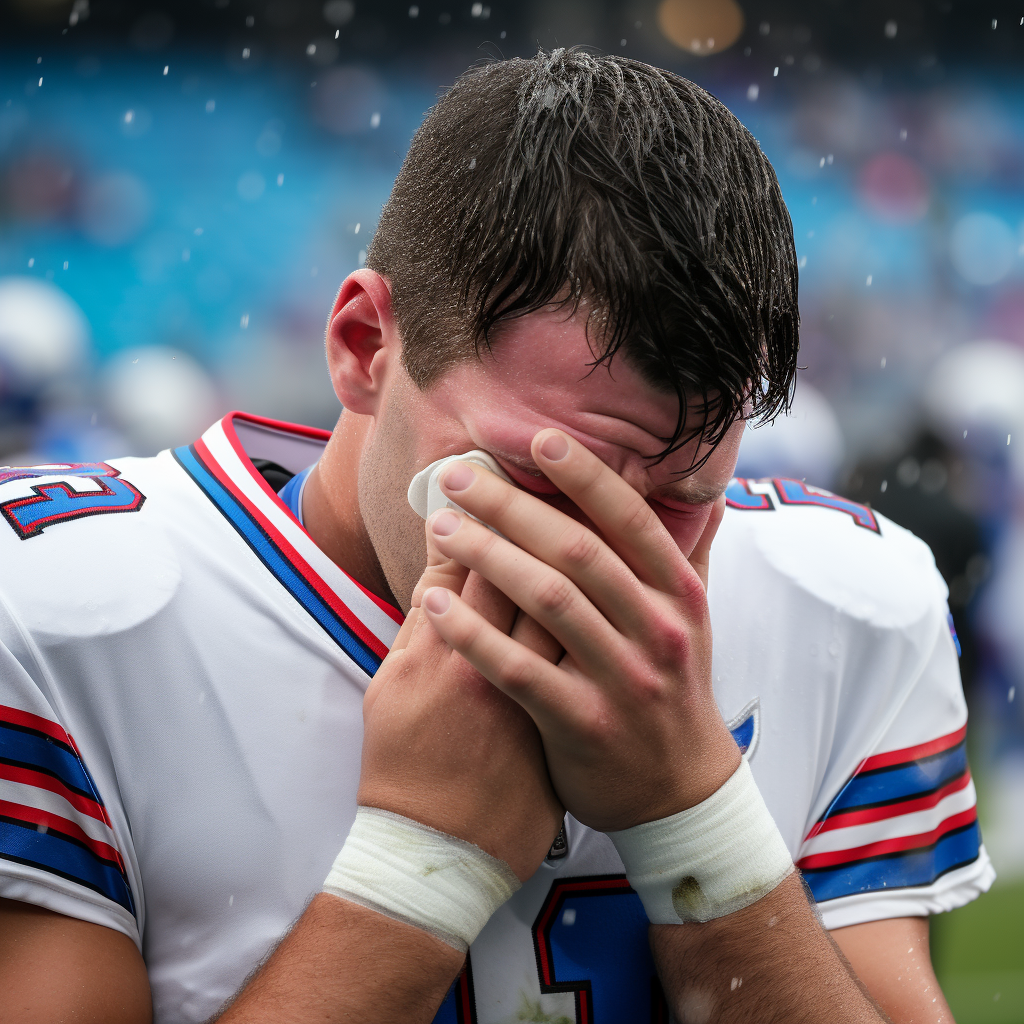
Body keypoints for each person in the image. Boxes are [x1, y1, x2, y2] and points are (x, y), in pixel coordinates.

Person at [0, 51, 990, 1024]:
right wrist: (419, 868)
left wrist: (693, 819)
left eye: (681, 496)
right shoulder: (56, 617)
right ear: (363, 348)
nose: (600, 558)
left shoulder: (848, 606)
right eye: (544, 481)